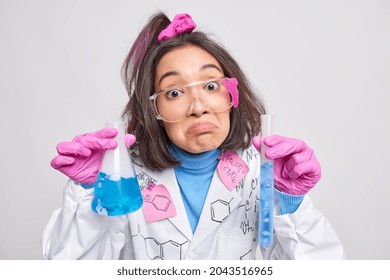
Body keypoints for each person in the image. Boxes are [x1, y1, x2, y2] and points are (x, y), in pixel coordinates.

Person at [42, 12, 345, 260]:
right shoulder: (122, 176)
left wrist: (292, 203)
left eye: (211, 86)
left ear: (233, 94)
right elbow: (67, 269)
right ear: (153, 109)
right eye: (174, 92)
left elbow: (325, 270)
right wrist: (87, 194)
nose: (198, 107)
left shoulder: (264, 172)